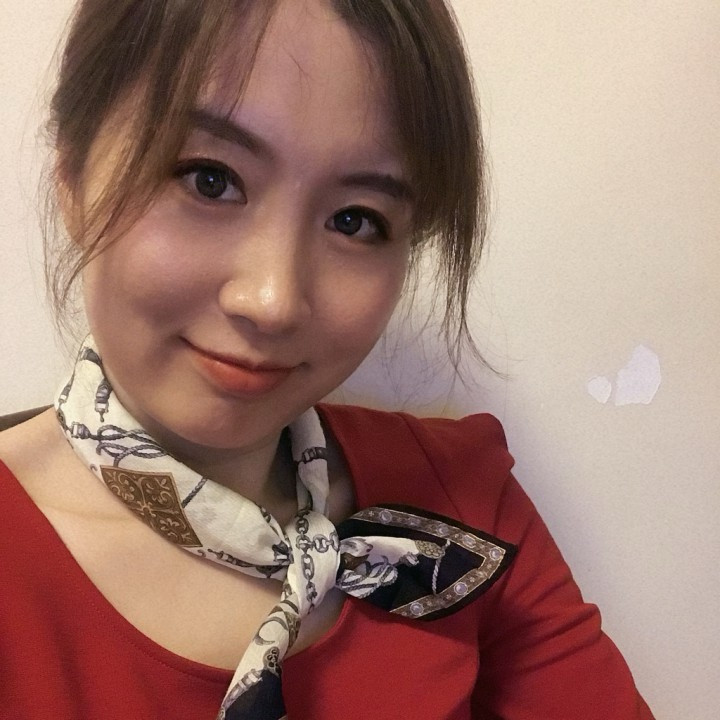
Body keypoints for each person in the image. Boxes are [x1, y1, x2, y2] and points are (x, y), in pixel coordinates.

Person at [0, 1, 655, 718]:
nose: (274, 300)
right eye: (208, 178)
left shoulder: (462, 495)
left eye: (355, 220)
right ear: (72, 178)